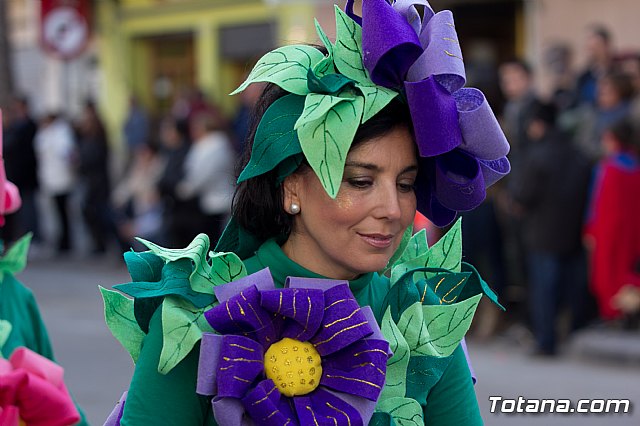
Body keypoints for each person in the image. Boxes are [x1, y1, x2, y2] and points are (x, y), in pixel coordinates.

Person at [102, 2, 510, 425]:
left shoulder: (420, 321)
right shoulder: (193, 316)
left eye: (405, 184)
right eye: (360, 180)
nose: (392, 210)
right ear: (291, 185)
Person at [511, 102, 592, 355]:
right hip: (573, 232)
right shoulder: (578, 153)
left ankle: (546, 340)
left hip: (543, 233)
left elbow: (524, 196)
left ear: (538, 124)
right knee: (571, 287)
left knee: (544, 291)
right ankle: (574, 332)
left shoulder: (539, 154)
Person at [584, 118, 640, 321]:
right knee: (626, 272)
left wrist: (590, 230)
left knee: (606, 274)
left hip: (607, 229)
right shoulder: (635, 166)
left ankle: (612, 314)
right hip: (632, 231)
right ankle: (626, 311)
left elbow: (596, 202)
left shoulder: (608, 168)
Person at [34, 113, 77, 254]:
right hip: (52, 178)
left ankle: (66, 241)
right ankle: (62, 239)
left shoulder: (60, 134)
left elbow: (64, 153)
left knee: (63, 211)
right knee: (57, 211)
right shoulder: (46, 134)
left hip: (61, 178)